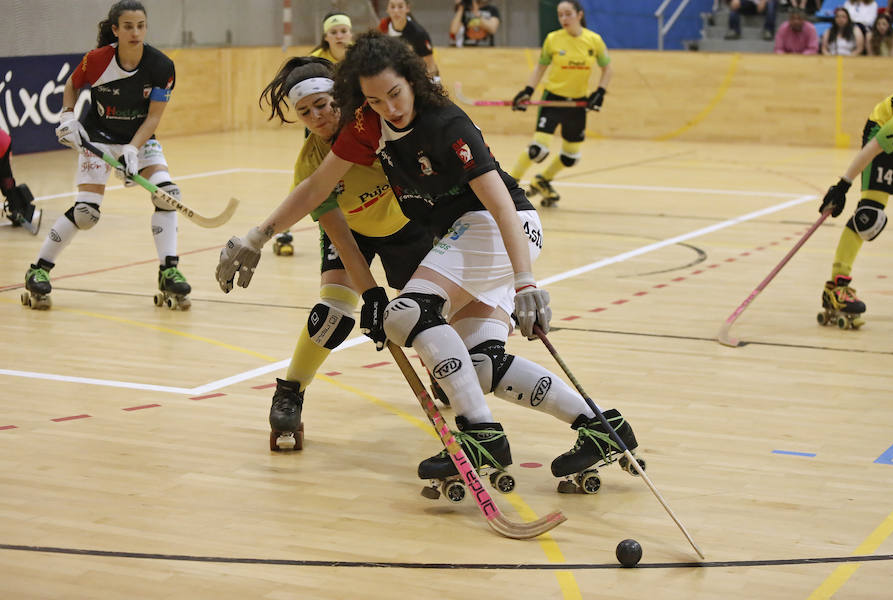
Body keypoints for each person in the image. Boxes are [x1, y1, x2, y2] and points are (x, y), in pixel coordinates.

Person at [216, 31, 642, 494]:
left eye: (395, 94)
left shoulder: (446, 125)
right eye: (375, 100)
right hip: (470, 236)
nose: (390, 108)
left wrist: (525, 283)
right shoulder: (367, 125)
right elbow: (317, 188)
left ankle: (481, 435)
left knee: (409, 313)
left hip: (500, 227)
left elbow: (501, 206)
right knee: (478, 364)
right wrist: (257, 236)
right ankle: (602, 428)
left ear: (412, 79)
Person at [257, 55, 434, 450]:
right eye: (305, 112)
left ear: (339, 97)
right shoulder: (311, 165)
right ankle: (291, 391)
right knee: (333, 315)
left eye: (321, 104)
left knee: (426, 314)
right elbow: (339, 234)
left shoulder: (375, 126)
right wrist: (370, 292)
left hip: (406, 225)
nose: (316, 116)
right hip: (354, 232)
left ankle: (440, 368)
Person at [22, 0, 187, 311]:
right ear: (116, 30)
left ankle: (169, 270)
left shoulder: (162, 66)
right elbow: (72, 85)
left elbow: (153, 118)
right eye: (128, 27)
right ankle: (38, 269)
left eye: (141, 26)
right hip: (96, 139)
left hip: (140, 139)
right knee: (86, 213)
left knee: (167, 195)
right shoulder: (97, 60)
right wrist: (68, 116)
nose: (135, 32)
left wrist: (132, 150)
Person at [508, 1, 611, 207]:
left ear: (579, 15)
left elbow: (607, 69)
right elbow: (540, 68)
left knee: (571, 157)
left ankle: (543, 180)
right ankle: (508, 185)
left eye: (568, 14)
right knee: (538, 150)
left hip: (578, 104)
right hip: (553, 100)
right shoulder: (553, 39)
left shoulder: (594, 40)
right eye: (560, 15)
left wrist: (600, 92)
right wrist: (528, 91)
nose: (564, 19)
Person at [273, 12, 355, 258]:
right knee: (312, 172)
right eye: (334, 32)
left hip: (348, 120)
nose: (339, 36)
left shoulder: (357, 59)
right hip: (322, 122)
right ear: (326, 37)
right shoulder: (317, 61)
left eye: (343, 31)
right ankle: (283, 228)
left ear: (350, 33)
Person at [816, 89, 893, 328]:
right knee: (870, 217)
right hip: (883, 136)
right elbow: (874, 147)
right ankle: (837, 287)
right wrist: (842, 186)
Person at [379, 0, 441, 82]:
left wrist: (432, 85)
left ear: (407, 8)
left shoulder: (419, 34)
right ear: (387, 9)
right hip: (396, 75)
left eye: (400, 7)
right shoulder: (383, 28)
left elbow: (430, 66)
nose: (396, 11)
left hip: (419, 77)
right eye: (392, 7)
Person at [1, 128, 41, 234]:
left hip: (2, 143)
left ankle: (17, 208)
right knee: (6, 177)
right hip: (4, 139)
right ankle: (17, 208)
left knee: (5, 178)